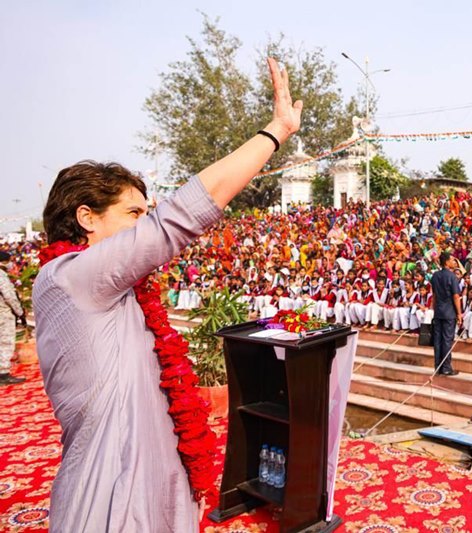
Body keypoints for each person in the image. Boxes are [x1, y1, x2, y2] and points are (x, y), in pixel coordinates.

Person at [32, 57, 302, 532]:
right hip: (111, 501)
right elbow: (180, 216)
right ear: (86, 218)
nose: (145, 224)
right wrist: (275, 132)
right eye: (134, 214)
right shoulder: (70, 278)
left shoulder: (112, 290)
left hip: (154, 487)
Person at [430, 252, 462, 376]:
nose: (454, 262)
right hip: (449, 312)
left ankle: (438, 366)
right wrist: (459, 313)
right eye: (452, 260)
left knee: (438, 340)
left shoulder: (435, 276)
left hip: (438, 311)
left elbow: (434, 295)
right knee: (447, 340)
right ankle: (446, 367)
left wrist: (434, 309)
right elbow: (455, 296)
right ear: (446, 262)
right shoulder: (452, 277)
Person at [0, 250, 26, 385]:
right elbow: (10, 297)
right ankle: (3, 374)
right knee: (5, 343)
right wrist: (20, 312)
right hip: (3, 315)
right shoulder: (1, 276)